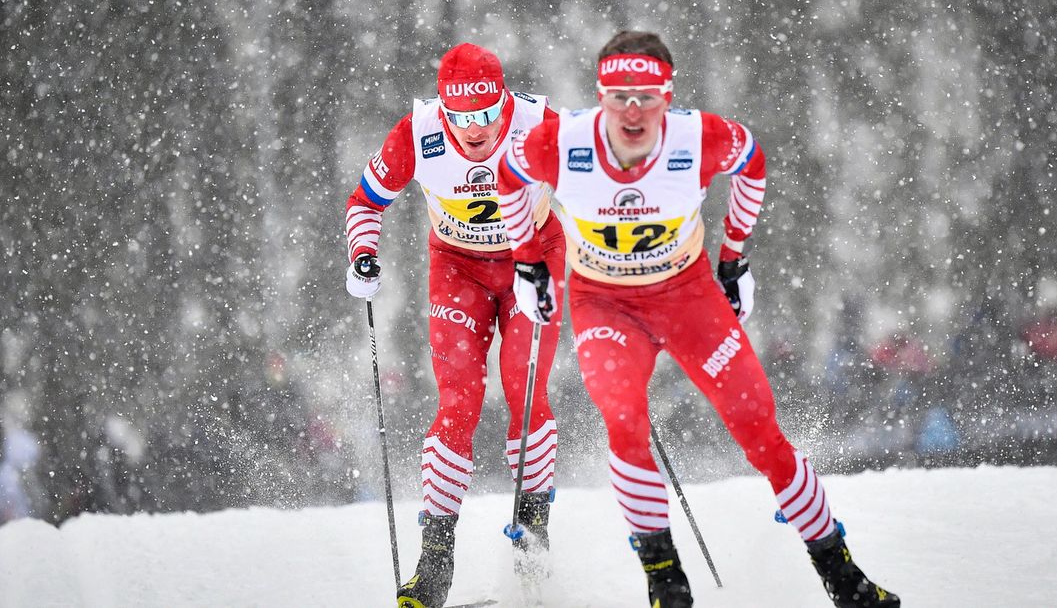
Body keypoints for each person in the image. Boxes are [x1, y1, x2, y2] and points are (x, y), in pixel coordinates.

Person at [497, 31, 899, 608]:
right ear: (600, 95)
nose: (633, 111)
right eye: (619, 96)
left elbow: (753, 163)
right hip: (604, 303)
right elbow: (510, 177)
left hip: (687, 297)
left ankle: (843, 577)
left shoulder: (701, 136)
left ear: (668, 95)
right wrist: (527, 260)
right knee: (624, 420)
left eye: (648, 96)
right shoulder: (561, 141)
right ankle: (666, 581)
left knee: (760, 431)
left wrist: (734, 259)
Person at [344, 43, 566, 608]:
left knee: (524, 389)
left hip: (532, 260)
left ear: (503, 103)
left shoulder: (540, 123)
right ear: (444, 109)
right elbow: (364, 203)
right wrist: (363, 254)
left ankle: (532, 534)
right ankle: (435, 563)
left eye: (487, 115)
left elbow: (597, 190)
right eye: (462, 118)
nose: (475, 131)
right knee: (459, 402)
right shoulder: (418, 132)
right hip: (458, 268)